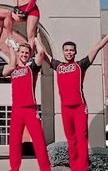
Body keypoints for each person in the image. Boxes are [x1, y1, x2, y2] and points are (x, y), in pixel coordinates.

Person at [44, 35, 108, 171]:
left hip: (79, 107)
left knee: (82, 139)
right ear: (63, 52)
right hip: (65, 109)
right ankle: (74, 168)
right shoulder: (58, 66)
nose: (69, 52)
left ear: (75, 52)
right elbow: (44, 54)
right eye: (66, 50)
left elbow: (97, 47)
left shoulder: (81, 65)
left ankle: (82, 168)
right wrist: (35, 35)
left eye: (71, 50)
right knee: (71, 141)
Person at [9, 39, 51, 171]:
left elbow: (42, 53)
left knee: (39, 141)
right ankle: (14, 168)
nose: (24, 55)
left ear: (30, 54)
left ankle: (45, 168)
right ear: (18, 53)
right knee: (14, 143)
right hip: (16, 110)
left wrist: (36, 38)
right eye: (22, 52)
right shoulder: (12, 69)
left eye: (27, 53)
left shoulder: (32, 68)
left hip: (30, 110)